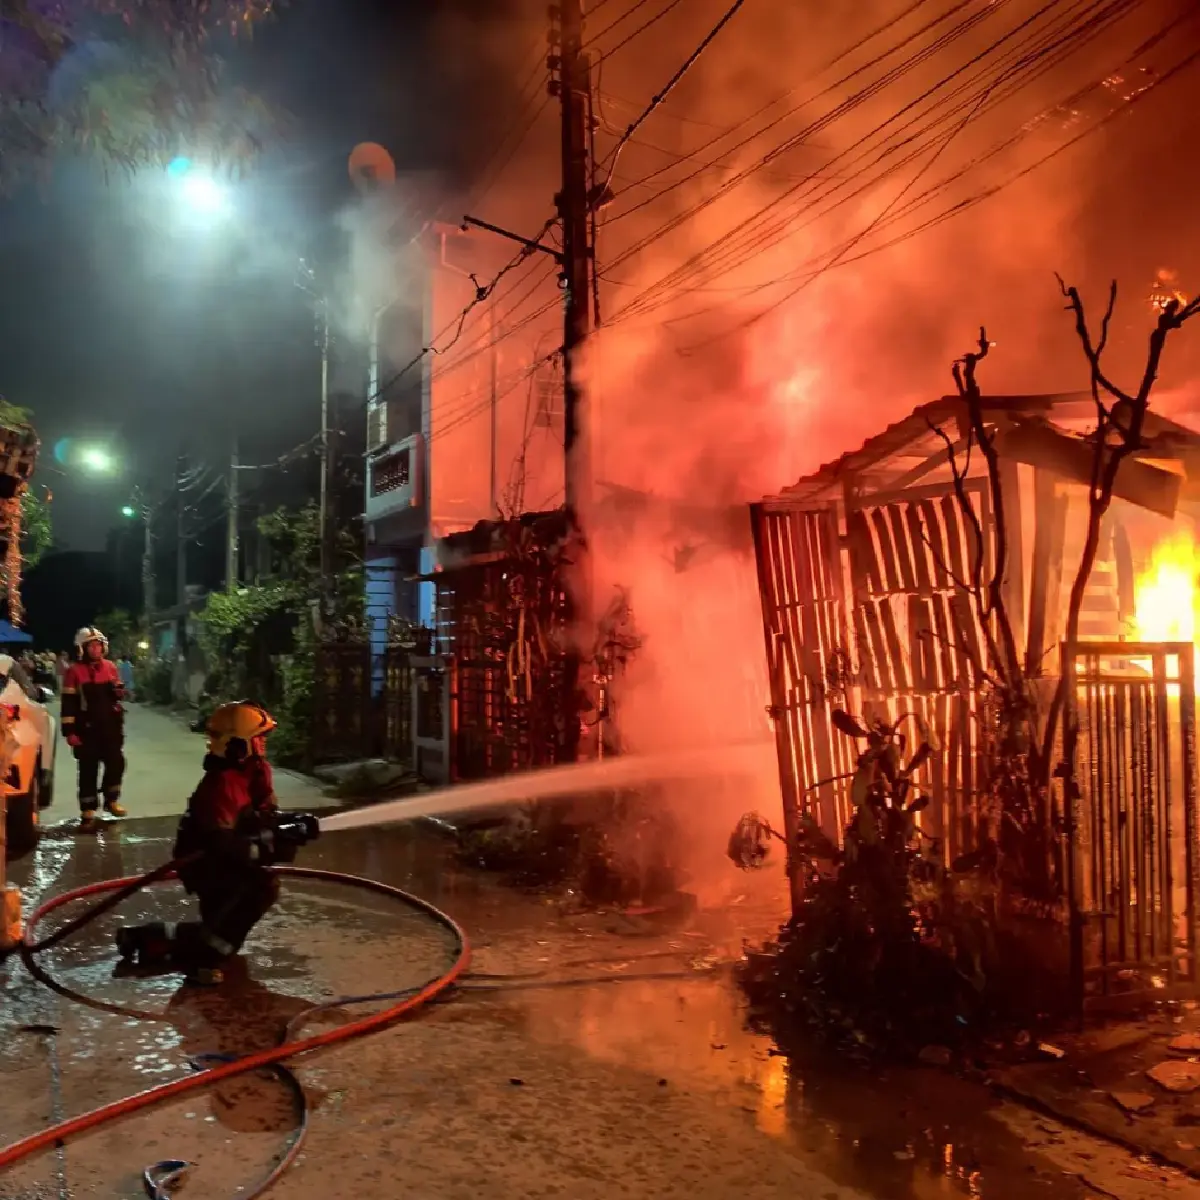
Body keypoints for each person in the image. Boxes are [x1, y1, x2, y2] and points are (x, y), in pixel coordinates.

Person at [171, 701, 283, 986]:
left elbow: (264, 813)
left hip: (223, 857)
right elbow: (221, 842)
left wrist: (292, 826)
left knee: (248, 891)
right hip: (205, 861)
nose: (263, 746)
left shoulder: (254, 771)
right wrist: (262, 849)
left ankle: (210, 941)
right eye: (258, 739)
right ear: (239, 746)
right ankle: (202, 959)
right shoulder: (223, 784)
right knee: (258, 887)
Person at [61, 626, 127, 827]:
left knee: (116, 763)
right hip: (86, 728)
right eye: (92, 646)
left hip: (110, 727)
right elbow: (68, 703)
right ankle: (88, 807)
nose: (96, 650)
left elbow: (117, 694)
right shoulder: (74, 672)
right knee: (88, 769)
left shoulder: (110, 667)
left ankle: (111, 800)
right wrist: (70, 732)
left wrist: (118, 692)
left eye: (99, 645)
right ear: (82, 648)